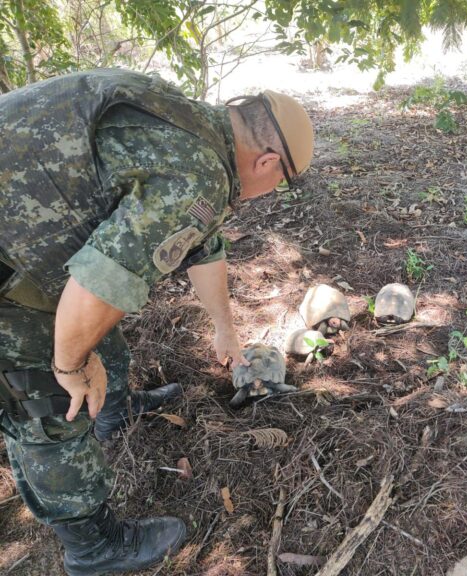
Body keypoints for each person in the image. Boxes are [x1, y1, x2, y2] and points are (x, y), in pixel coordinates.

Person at [0, 68, 313, 575]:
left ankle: (116, 409)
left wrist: (225, 329)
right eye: (284, 182)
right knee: (47, 405)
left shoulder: (185, 119)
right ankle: (93, 547)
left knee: (103, 335)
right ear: (269, 162)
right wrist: (71, 364)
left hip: (25, 241)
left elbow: (202, 241)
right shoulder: (198, 173)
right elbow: (97, 286)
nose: (276, 190)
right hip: (9, 273)